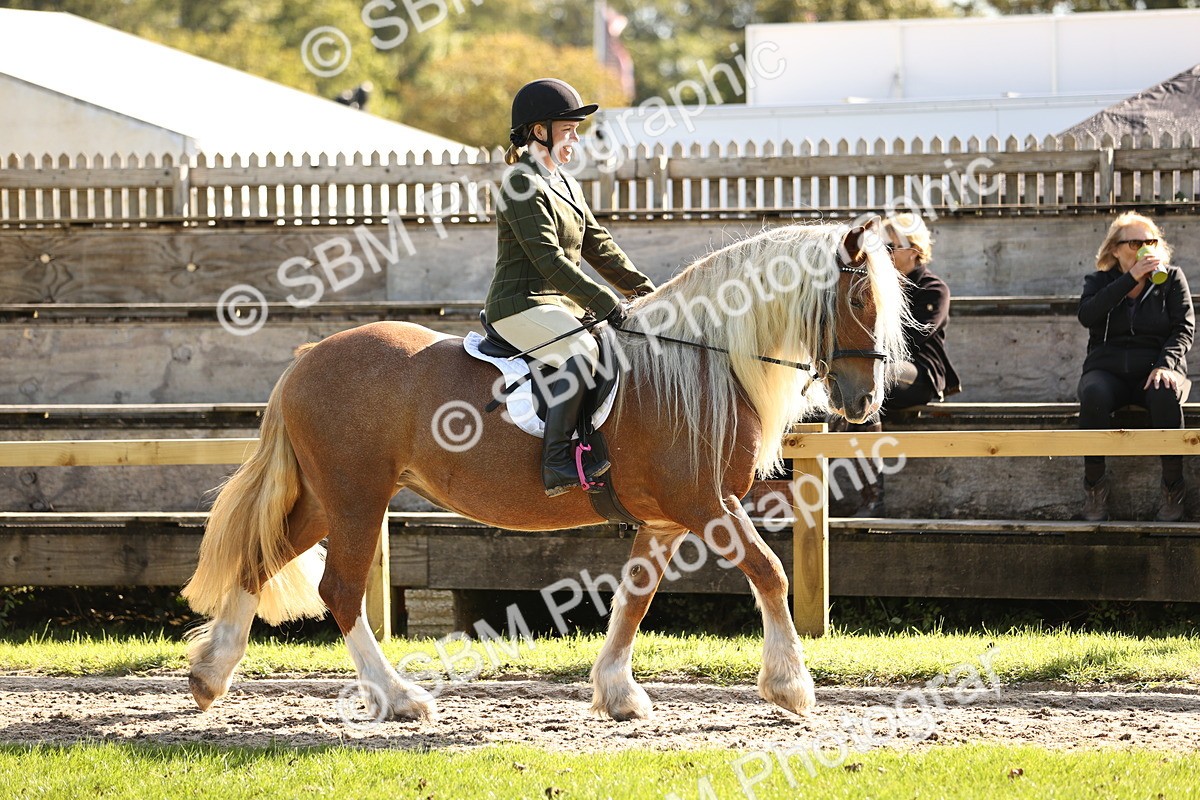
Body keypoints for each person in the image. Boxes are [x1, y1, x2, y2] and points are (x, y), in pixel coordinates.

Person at [485, 78, 655, 497]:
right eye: (568, 128)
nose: (576, 137)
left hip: (558, 306)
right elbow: (550, 262)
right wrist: (607, 301)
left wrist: (647, 292)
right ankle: (557, 460)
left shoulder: (564, 182)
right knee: (580, 351)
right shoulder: (521, 184)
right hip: (519, 306)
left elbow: (600, 247)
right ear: (539, 131)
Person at [829, 213, 960, 514]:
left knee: (871, 383)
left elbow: (917, 335)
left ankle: (872, 497)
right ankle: (815, 493)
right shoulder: (875, 284)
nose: (884, 254)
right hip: (878, 367)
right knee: (846, 390)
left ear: (913, 250)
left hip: (921, 373)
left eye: (890, 248)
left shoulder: (934, 288)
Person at [1077, 212, 1194, 522]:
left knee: (1164, 393)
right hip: (1107, 368)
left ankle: (1173, 488)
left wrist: (1167, 365)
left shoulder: (1171, 278)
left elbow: (1184, 328)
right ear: (1115, 249)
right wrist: (1130, 278)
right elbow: (1087, 315)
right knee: (1093, 395)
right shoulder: (1099, 281)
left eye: (1150, 242)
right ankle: (1094, 489)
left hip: (1156, 366)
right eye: (1134, 243)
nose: (1144, 248)